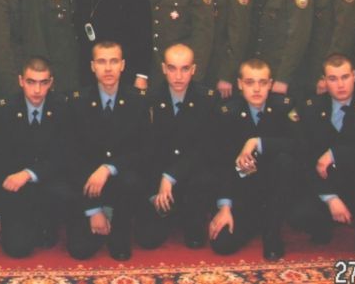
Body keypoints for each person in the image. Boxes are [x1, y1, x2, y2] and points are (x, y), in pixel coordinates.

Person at [208, 58, 299, 260]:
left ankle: (272, 232)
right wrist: (225, 207)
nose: (256, 89)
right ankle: (257, 221)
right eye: (250, 82)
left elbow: (300, 145)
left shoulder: (284, 107)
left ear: (270, 84)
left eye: (262, 82)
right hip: (243, 192)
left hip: (276, 192)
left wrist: (257, 142)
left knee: (285, 161)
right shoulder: (226, 113)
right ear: (240, 84)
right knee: (222, 244)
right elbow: (221, 164)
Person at [66, 41, 149, 261]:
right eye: (102, 62)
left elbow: (143, 150)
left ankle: (120, 229)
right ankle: (98, 217)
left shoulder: (138, 101)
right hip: (88, 186)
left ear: (123, 65)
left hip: (121, 182)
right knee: (80, 251)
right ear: (92, 66)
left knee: (132, 181)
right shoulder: (77, 102)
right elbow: (72, 157)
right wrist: (93, 210)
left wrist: (108, 168)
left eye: (114, 61)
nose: (108, 68)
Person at [289, 54, 355, 246]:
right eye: (333, 79)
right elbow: (305, 158)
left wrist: (336, 154)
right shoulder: (311, 108)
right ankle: (324, 227)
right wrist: (330, 198)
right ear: (324, 81)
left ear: (354, 76)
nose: (340, 85)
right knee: (298, 215)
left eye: (345, 77)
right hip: (328, 185)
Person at [0, 57, 73, 258]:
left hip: (49, 183)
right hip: (16, 190)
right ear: (21, 81)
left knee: (49, 234)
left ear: (51, 83)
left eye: (43, 83)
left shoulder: (62, 107)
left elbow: (63, 155)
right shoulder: (5, 109)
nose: (37, 90)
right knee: (17, 249)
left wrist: (28, 173)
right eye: (31, 82)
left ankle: (48, 223)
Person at [136, 44, 216, 251]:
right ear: (163, 68)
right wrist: (154, 191)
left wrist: (170, 176)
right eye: (172, 68)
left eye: (185, 68)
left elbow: (204, 148)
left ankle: (193, 220)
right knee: (147, 240)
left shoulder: (207, 99)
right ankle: (165, 211)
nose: (178, 76)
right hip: (158, 178)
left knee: (204, 177)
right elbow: (145, 150)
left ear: (193, 69)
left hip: (190, 176)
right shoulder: (149, 99)